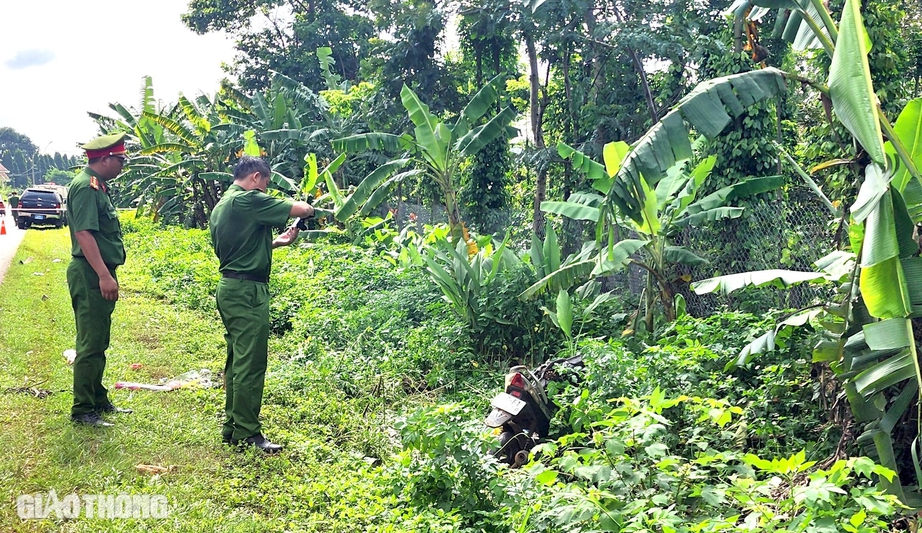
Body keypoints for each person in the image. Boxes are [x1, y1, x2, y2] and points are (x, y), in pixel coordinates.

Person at [210, 155, 313, 453]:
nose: (265, 190)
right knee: (250, 362)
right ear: (256, 177)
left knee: (236, 360)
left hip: (231, 285)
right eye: (266, 184)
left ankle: (233, 425)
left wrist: (277, 243)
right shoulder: (247, 200)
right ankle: (246, 432)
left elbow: (240, 246)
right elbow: (302, 209)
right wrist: (309, 207)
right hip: (247, 292)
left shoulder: (224, 204)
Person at [67, 132, 133, 427]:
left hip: (97, 271)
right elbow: (84, 234)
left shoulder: (98, 186)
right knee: (91, 342)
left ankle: (97, 397)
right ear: (105, 158)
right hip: (91, 272)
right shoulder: (86, 187)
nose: (122, 164)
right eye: (120, 159)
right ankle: (83, 409)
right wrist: (104, 275)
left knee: (99, 338)